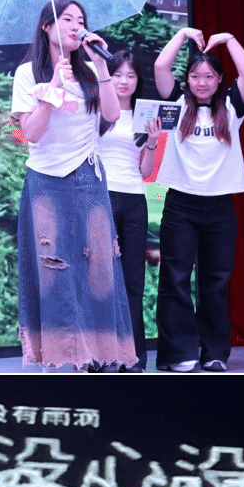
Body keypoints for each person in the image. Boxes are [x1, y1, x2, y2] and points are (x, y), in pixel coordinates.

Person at [11, 0, 135, 372]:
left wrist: (102, 66)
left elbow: (111, 114)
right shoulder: (28, 73)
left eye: (80, 20)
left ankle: (101, 355)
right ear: (47, 25)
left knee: (99, 268)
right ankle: (64, 357)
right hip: (47, 182)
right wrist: (52, 89)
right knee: (54, 268)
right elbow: (30, 134)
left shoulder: (90, 70)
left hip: (89, 178)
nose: (75, 26)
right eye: (66, 19)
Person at [149, 27, 244, 372]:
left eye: (209, 76)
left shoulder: (231, 107)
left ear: (220, 79)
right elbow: (160, 67)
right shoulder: (178, 103)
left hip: (220, 205)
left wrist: (227, 39)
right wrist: (181, 34)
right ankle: (179, 353)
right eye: (195, 76)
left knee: (215, 281)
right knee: (176, 278)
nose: (202, 82)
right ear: (188, 80)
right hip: (181, 204)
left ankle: (214, 353)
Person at [96, 48, 153, 369]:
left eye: (130, 75)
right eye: (117, 74)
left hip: (134, 199)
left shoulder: (144, 116)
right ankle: (99, 355)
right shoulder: (97, 110)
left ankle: (133, 357)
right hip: (101, 197)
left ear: (137, 80)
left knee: (133, 280)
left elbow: (145, 171)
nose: (123, 81)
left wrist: (153, 141)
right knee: (101, 279)